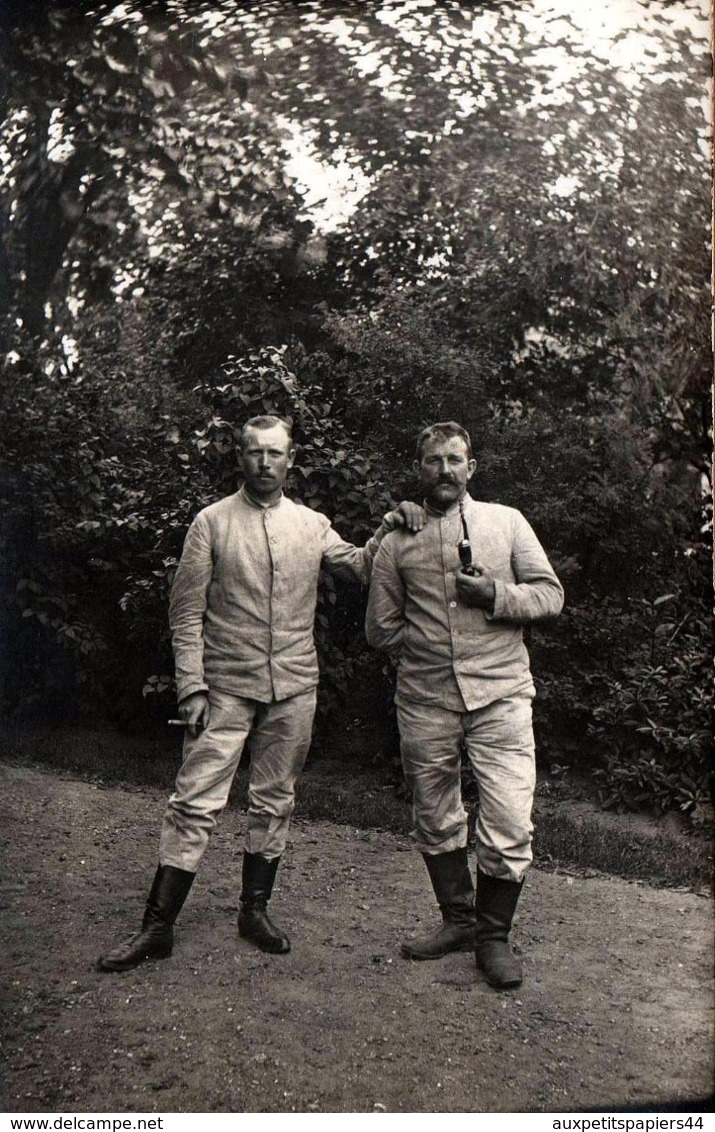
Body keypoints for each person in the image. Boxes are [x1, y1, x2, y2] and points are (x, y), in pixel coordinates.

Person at [98, 414, 423, 972]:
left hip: (294, 685)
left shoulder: (312, 524)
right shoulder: (212, 523)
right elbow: (186, 611)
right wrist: (192, 686)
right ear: (240, 458)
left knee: (275, 798)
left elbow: (363, 566)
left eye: (275, 453)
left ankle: (254, 912)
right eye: (254, 453)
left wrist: (393, 525)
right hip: (224, 684)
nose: (265, 463)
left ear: (291, 460)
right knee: (195, 800)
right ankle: (157, 927)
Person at [365, 421, 563, 990]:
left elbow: (551, 595)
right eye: (434, 461)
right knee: (434, 810)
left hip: (501, 695)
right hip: (425, 698)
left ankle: (493, 937)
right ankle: (457, 919)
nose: (445, 470)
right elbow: (380, 628)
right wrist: (428, 651)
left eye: (455, 460)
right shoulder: (399, 540)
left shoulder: (507, 522)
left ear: (471, 468)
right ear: (419, 469)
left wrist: (496, 596)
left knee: (507, 816)